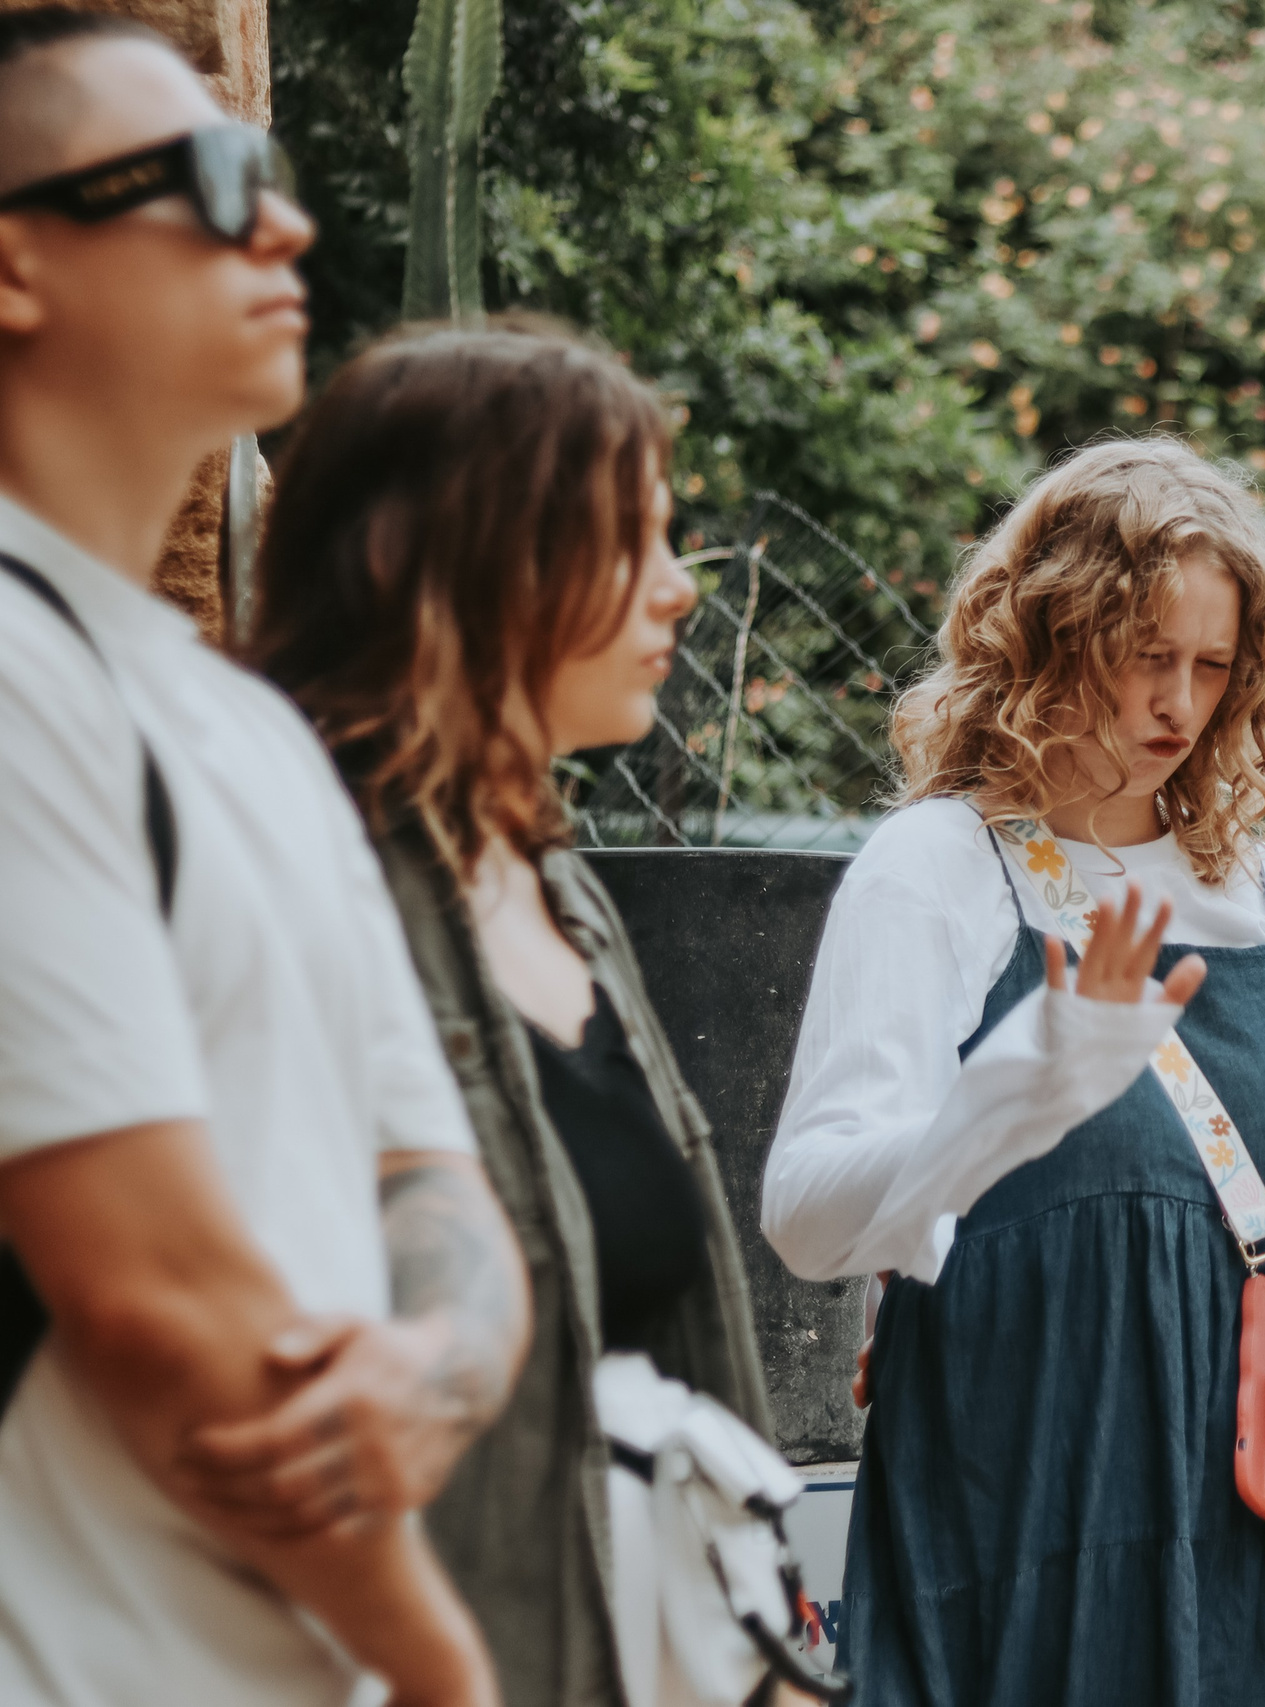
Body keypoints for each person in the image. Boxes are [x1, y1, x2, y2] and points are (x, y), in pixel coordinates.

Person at [0, 13, 531, 1707]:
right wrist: (440, 1664)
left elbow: (437, 1184)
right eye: (217, 180)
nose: (286, 223)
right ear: (15, 264)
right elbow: (159, 1302)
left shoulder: (250, 731)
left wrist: (435, 1364)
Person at [761, 437, 1265, 1707]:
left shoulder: (1254, 889)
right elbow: (808, 1215)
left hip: (1240, 1550)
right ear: (1050, 635)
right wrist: (1017, 1087)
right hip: (1019, 1540)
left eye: (1212, 665)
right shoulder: (938, 868)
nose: (1178, 705)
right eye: (1145, 654)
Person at [244, 321, 777, 1707]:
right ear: (472, 559)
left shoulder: (561, 886)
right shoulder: (295, 886)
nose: (680, 588)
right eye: (629, 540)